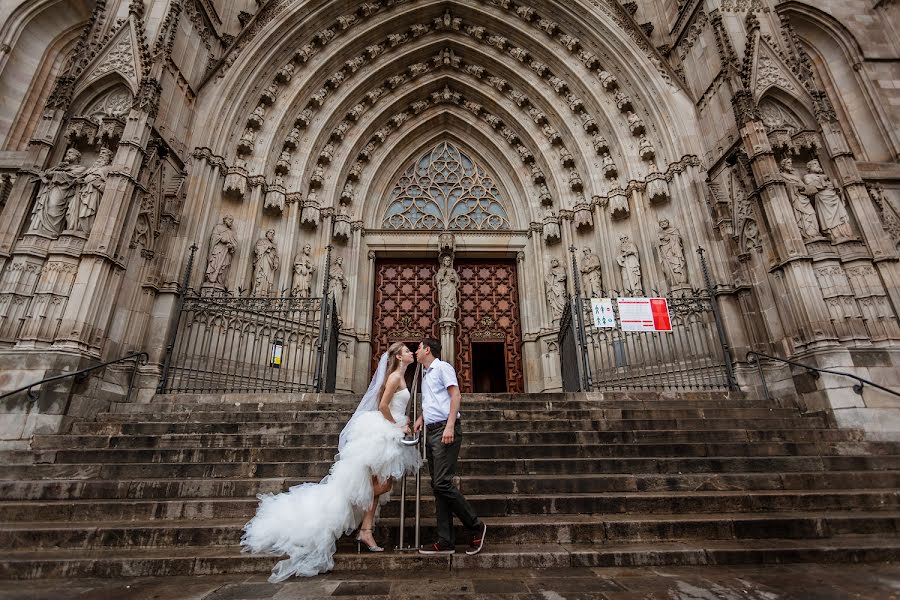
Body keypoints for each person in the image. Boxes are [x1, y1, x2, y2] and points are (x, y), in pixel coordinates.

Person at [240, 342, 421, 581]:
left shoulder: (400, 376)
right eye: (407, 350)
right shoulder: (395, 377)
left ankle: (366, 530)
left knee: (380, 483)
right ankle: (350, 500)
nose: (411, 352)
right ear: (399, 356)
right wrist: (398, 425)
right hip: (383, 432)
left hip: (389, 432)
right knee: (383, 485)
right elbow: (383, 405)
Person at [413, 338, 487, 556]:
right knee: (438, 487)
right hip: (432, 429)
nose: (415, 351)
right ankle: (445, 540)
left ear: (427, 350)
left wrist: (450, 425)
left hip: (445, 429)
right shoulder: (426, 374)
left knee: (442, 483)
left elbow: (455, 395)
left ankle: (476, 526)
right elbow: (435, 401)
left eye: (418, 347)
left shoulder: (442, 367)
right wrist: (421, 417)